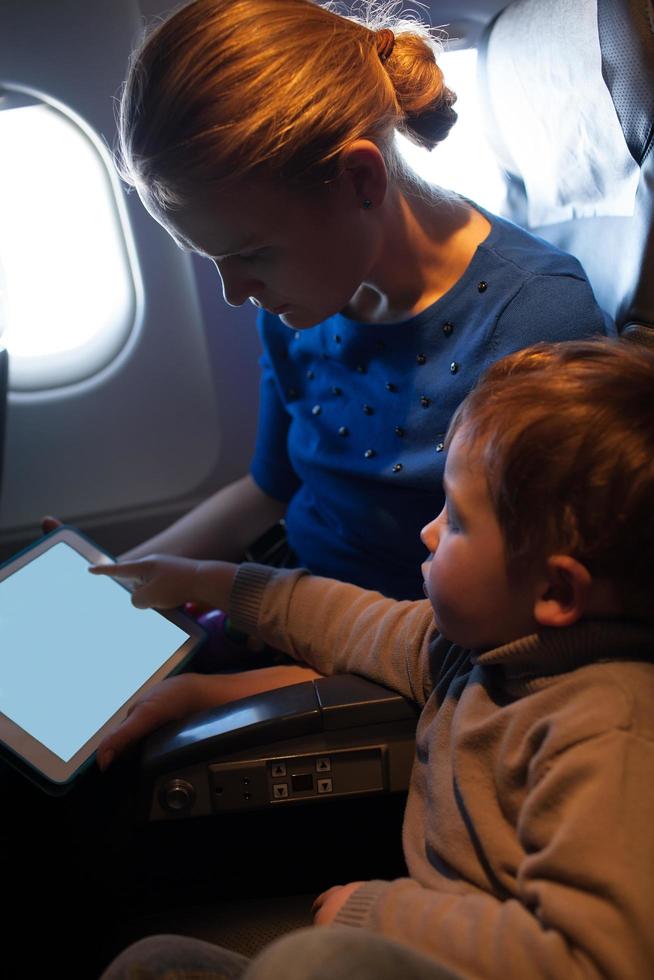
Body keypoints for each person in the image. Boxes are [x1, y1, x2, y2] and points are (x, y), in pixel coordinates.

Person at [95, 337, 654, 979]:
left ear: (554, 592)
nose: (429, 531)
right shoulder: (475, 653)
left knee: (314, 961)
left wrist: (378, 913)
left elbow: (597, 960)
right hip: (437, 947)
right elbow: (346, 622)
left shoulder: (608, 733)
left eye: (458, 521)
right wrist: (207, 580)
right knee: (155, 965)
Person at [73, 0, 613, 637]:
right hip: (277, 599)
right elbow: (269, 489)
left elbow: (517, 620)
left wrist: (232, 693)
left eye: (248, 253)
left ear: (360, 179)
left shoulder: (535, 321)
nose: (234, 292)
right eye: (213, 259)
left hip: (394, 655)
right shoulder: (302, 301)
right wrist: (110, 586)